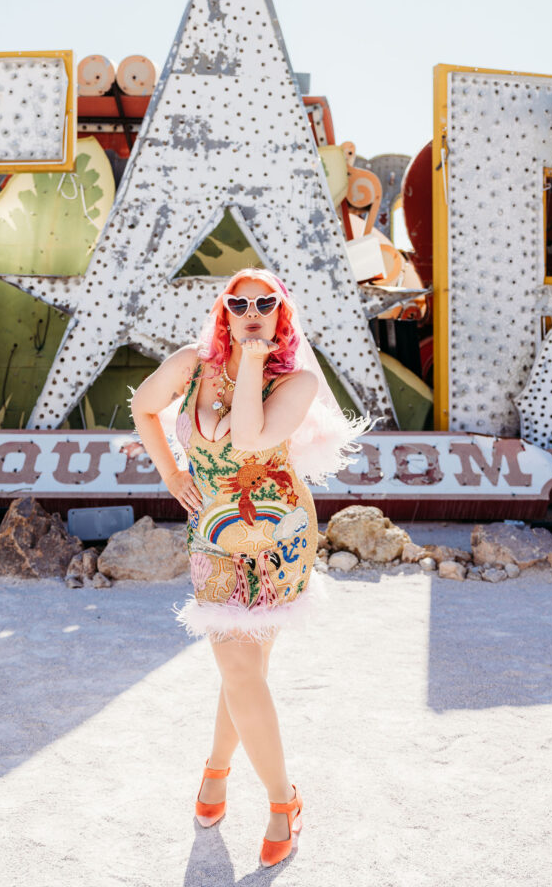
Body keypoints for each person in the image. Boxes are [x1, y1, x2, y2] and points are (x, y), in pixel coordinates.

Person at [129, 267, 376, 866]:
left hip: (279, 536)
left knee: (244, 669)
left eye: (266, 302)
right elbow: (143, 406)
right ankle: (226, 776)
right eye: (237, 303)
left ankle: (277, 802)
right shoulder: (192, 364)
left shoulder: (296, 380)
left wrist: (252, 360)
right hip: (211, 533)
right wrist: (169, 472)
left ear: (282, 313)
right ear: (224, 311)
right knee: (243, 669)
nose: (251, 311)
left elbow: (245, 438)